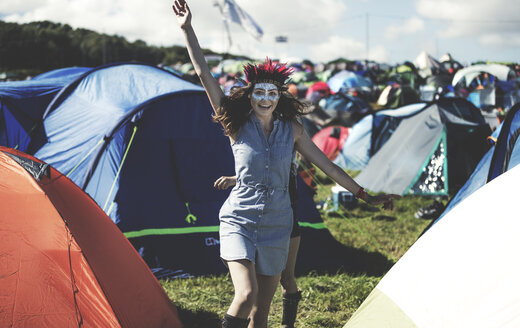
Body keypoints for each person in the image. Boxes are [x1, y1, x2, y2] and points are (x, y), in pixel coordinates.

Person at [172, 1, 400, 327]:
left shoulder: (293, 131)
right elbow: (205, 74)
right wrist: (187, 30)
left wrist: (366, 195)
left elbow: (330, 168)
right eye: (260, 92)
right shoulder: (236, 125)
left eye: (272, 93)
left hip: (278, 224)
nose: (266, 98)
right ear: (250, 94)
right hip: (240, 219)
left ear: (280, 96)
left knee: (261, 315)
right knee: (246, 293)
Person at [214, 151, 301, 328]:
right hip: (256, 220)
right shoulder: (262, 136)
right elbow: (257, 171)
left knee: (286, 278)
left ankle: (288, 325)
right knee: (251, 295)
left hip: (285, 222)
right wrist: (234, 179)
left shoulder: (290, 138)